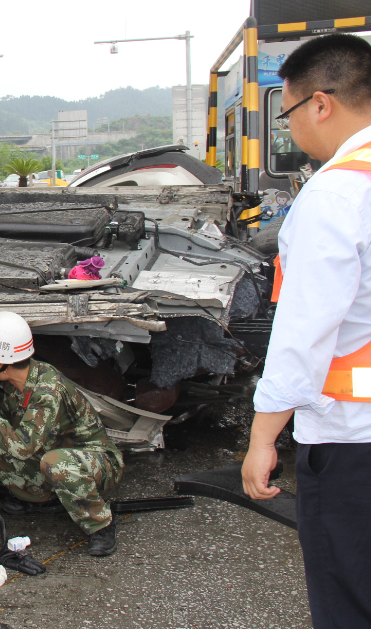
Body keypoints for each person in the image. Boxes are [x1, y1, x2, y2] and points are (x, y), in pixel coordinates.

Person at [240, 34, 371, 628]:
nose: (291, 130)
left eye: (287, 113)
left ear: (321, 104)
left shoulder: (337, 194)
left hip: (352, 440)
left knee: (349, 596)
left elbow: (304, 332)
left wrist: (264, 435)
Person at [0, 311, 124, 556]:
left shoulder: (47, 390)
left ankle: (101, 524)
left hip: (98, 461)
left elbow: (24, 446)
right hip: (56, 450)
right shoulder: (19, 382)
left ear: (0, 364)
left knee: (56, 463)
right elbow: (5, 419)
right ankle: (41, 499)